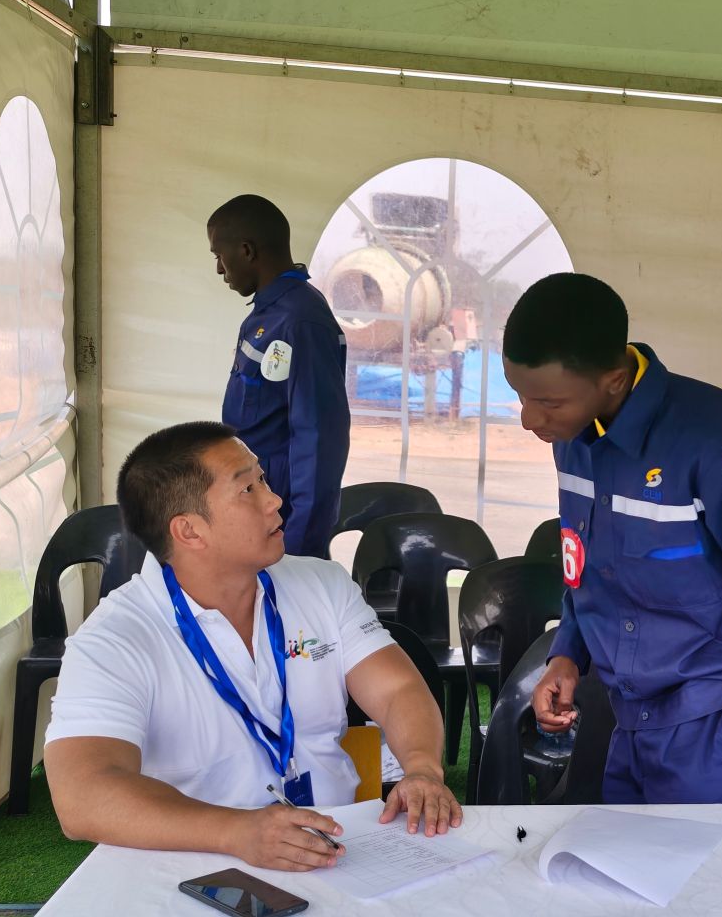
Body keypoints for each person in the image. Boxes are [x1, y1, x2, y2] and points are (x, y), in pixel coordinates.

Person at [43, 421, 459, 872]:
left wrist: (421, 768)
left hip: (337, 852)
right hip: (193, 866)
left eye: (263, 479)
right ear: (189, 531)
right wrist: (236, 833)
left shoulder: (323, 584)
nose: (274, 499)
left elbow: (397, 690)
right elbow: (82, 796)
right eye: (247, 489)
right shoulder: (114, 640)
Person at [502, 272, 722, 803]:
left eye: (548, 402)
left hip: (712, 723)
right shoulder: (572, 436)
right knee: (628, 853)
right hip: (625, 715)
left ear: (614, 380)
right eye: (520, 396)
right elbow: (589, 567)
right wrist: (567, 655)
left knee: (698, 860)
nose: (529, 419)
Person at [209, 194, 349, 559]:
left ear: (246, 251)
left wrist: (300, 545)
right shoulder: (268, 315)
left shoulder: (300, 320)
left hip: (281, 521)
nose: (219, 269)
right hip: (254, 506)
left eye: (219, 256)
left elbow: (319, 439)